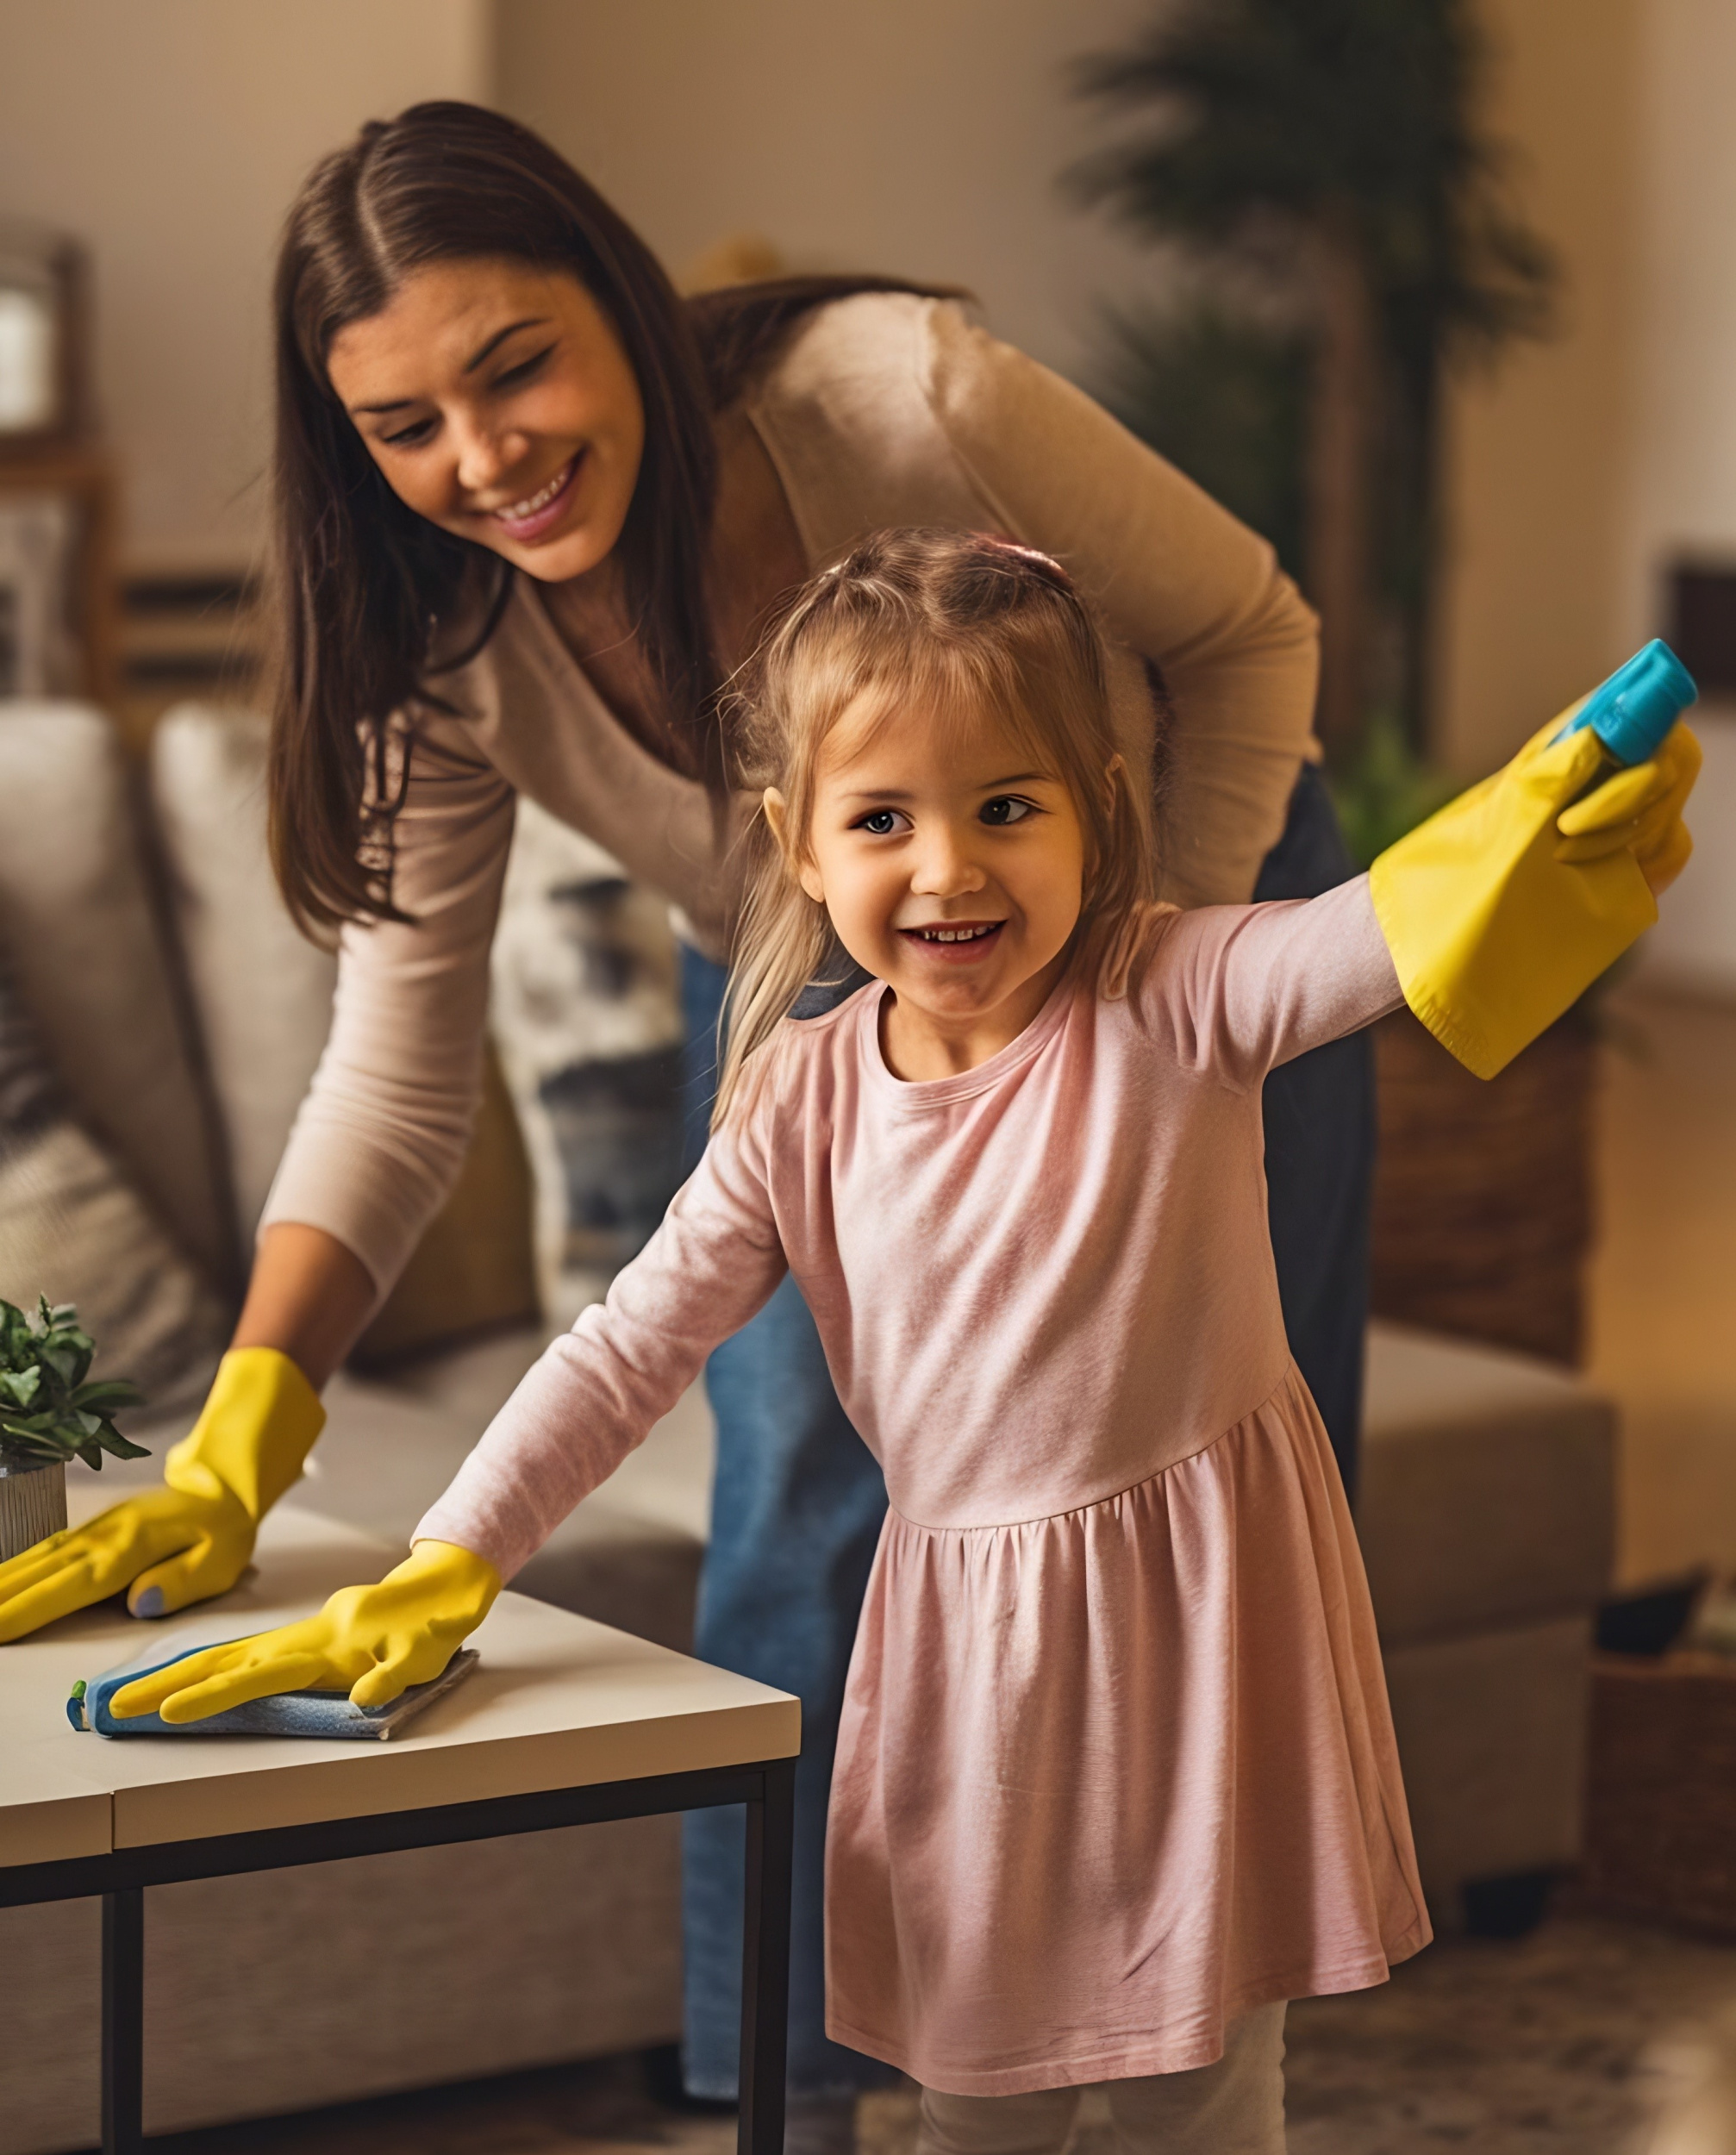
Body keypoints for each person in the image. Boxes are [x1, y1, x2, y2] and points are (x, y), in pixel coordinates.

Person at [0, 100, 1361, 2122]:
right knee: (801, 1530)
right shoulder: (439, 638)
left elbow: (1250, 632)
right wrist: (248, 1424)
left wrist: (1145, 988)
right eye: (402, 422)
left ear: (619, 306)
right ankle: (797, 2091)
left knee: (1204, 1504)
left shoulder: (905, 398)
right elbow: (393, 1063)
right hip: (811, 972)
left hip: (1182, 926)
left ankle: (1192, 2048)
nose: (481, 457)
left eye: (515, 363)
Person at [110, 529, 1698, 2152]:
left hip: (1206, 1624)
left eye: (1007, 806)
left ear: (1096, 804)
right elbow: (625, 1347)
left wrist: (1501, 836)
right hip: (971, 1667)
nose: (946, 869)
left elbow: (1363, 939)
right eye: (884, 819)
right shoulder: (796, 1098)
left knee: (1195, 2099)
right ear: (798, 848)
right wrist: (454, 1557)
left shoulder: (1178, 992)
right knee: (972, 2093)